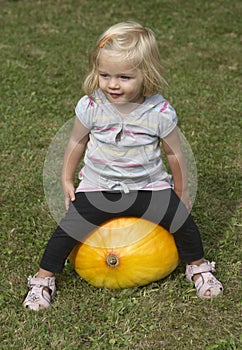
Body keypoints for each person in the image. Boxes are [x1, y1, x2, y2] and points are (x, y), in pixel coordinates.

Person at [23, 21, 223, 311]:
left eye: (124, 77)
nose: (112, 84)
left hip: (149, 187)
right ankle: (43, 279)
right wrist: (67, 179)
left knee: (184, 224)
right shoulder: (92, 106)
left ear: (146, 75)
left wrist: (180, 191)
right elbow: (76, 143)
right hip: (99, 187)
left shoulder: (159, 112)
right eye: (105, 75)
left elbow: (174, 154)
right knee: (67, 230)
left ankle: (199, 267)